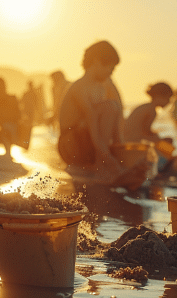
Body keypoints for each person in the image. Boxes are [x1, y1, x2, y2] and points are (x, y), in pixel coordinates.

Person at [58, 40, 147, 191]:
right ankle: (102, 167)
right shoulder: (79, 87)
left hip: (91, 143)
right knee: (109, 107)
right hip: (71, 146)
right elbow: (92, 118)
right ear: (96, 62)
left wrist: (121, 150)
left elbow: (119, 106)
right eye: (110, 69)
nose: (111, 73)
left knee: (114, 106)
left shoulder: (103, 85)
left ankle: (112, 166)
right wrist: (106, 156)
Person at [124, 82, 177, 180]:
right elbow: (144, 134)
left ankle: (166, 168)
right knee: (165, 150)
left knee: (163, 143)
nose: (169, 102)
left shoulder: (145, 106)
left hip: (128, 140)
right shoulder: (152, 111)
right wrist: (160, 139)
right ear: (158, 96)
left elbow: (144, 130)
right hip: (134, 143)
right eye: (167, 99)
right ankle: (164, 171)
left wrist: (157, 137)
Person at [0, 76, 20, 157]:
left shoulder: (11, 98)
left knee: (2, 132)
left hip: (9, 125)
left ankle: (0, 149)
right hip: (3, 125)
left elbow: (18, 113)